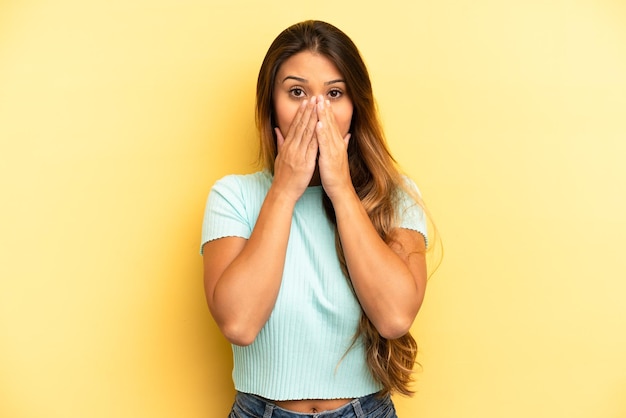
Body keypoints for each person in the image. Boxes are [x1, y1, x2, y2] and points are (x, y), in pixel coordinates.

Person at [201, 20, 434, 418]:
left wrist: (341, 189)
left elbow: (395, 317)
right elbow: (239, 324)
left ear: (354, 106)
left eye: (334, 93)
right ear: (271, 105)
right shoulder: (233, 196)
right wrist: (285, 190)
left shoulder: (395, 196)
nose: (316, 110)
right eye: (296, 92)